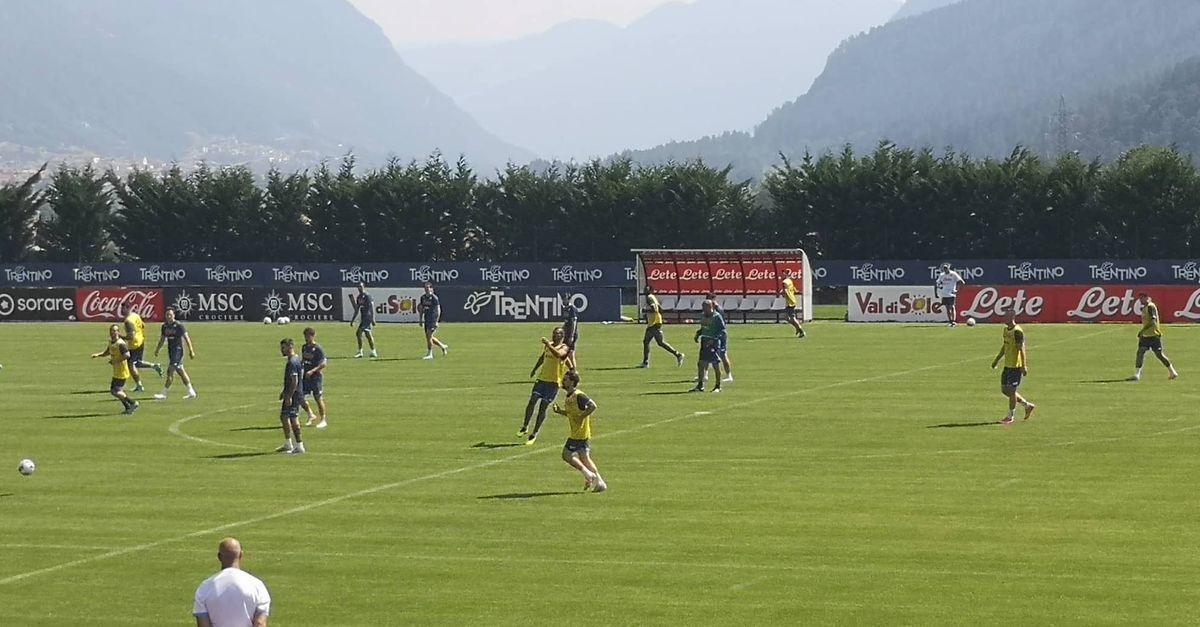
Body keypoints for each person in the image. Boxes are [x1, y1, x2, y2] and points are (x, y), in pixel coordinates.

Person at [193, 537, 271, 627]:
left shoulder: (205, 588)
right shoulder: (257, 586)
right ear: (241, 555)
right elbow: (259, 623)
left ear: (219, 557)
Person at [552, 369, 607, 493]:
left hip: (579, 434)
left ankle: (588, 475)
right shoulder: (569, 397)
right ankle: (599, 482)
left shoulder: (578, 395)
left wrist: (582, 416)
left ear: (572, 382)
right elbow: (572, 414)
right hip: (580, 433)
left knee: (566, 455)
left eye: (565, 380)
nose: (563, 381)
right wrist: (560, 411)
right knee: (585, 458)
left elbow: (593, 406)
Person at [519, 327, 570, 445]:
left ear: (561, 336)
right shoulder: (549, 345)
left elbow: (559, 356)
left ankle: (534, 433)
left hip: (553, 382)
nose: (554, 335)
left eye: (557, 334)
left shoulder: (564, 347)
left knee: (543, 407)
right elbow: (543, 357)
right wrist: (535, 369)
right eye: (553, 333)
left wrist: (572, 369)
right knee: (532, 400)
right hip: (542, 379)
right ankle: (525, 426)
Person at [990, 308, 1035, 425]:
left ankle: (1011, 416)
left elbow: (1022, 349)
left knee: (1011, 391)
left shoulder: (1017, 331)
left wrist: (1024, 365)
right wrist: (997, 360)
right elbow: (1005, 346)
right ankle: (1027, 405)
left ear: (1012, 317)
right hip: (1007, 365)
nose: (1004, 318)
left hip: (1016, 366)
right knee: (1005, 390)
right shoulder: (1005, 330)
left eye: (1006, 316)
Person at [91, 324, 139, 415]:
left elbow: (127, 355)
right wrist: (98, 355)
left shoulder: (121, 343)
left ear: (118, 332)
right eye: (111, 330)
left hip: (122, 371)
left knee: (115, 391)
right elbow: (107, 352)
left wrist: (115, 361)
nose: (112, 332)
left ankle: (132, 403)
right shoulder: (111, 342)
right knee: (116, 391)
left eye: (114, 330)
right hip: (116, 371)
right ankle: (128, 408)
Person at [1131, 292, 1179, 381]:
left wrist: (1142, 330)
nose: (1140, 300)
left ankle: (1173, 372)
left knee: (1159, 354)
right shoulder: (1145, 308)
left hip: (1153, 335)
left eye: (1142, 298)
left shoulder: (1150, 307)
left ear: (1147, 298)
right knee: (1140, 353)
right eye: (1139, 298)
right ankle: (1137, 374)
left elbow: (1153, 320)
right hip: (1146, 335)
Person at [153, 307, 197, 400]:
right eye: (167, 315)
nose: (168, 316)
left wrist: (191, 350)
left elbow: (186, 338)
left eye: (170, 314)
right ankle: (191, 391)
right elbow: (162, 339)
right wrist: (157, 349)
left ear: (174, 315)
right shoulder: (164, 326)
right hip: (171, 351)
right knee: (181, 371)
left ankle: (164, 393)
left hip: (178, 351)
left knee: (170, 371)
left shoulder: (179, 325)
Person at [119, 302, 163, 391]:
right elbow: (143, 325)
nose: (121, 311)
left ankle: (139, 385)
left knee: (130, 364)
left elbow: (130, 336)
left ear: (128, 308)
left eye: (122, 309)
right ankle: (155, 366)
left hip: (134, 344)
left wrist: (120, 337)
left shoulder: (128, 321)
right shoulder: (135, 315)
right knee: (138, 363)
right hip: (141, 340)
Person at [639, 285, 684, 368]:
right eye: (645, 288)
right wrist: (660, 318)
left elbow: (654, 309)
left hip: (654, 322)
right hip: (656, 321)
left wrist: (645, 311)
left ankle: (645, 362)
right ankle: (678, 354)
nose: (645, 289)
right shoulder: (653, 297)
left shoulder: (649, 297)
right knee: (660, 342)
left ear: (651, 290)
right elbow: (660, 308)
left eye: (647, 288)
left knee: (647, 341)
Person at [276, 338, 306, 454]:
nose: (281, 350)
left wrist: (288, 396)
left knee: (293, 418)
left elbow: (294, 381)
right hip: (291, 393)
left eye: (283, 347)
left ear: (290, 347)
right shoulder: (296, 359)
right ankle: (288, 444)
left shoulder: (292, 362)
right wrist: (284, 391)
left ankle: (299, 445)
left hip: (293, 394)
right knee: (284, 417)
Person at [691, 300, 724, 393]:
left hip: (713, 342)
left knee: (715, 364)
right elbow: (703, 327)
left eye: (705, 307)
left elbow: (721, 330)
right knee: (701, 363)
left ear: (711, 307)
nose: (704, 309)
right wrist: (698, 333)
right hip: (704, 341)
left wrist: (714, 339)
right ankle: (700, 385)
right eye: (703, 307)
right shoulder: (703, 316)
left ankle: (718, 386)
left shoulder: (716, 317)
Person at [299, 327, 329, 429]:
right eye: (305, 336)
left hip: (316, 377)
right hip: (305, 377)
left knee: (318, 398)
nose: (306, 338)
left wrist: (313, 370)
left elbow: (324, 363)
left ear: (313, 336)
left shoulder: (317, 349)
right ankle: (310, 414)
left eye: (308, 336)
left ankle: (323, 419)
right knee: (300, 396)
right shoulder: (304, 347)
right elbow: (303, 361)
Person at [705, 293, 734, 382]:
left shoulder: (718, 310)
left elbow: (721, 326)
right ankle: (704, 375)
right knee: (706, 354)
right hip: (710, 334)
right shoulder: (709, 310)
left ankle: (729, 375)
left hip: (720, 335)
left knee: (722, 354)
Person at [418, 281, 449, 360]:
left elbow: (438, 310)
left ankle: (430, 353)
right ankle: (442, 346)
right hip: (427, 319)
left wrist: (436, 321)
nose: (427, 289)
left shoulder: (434, 298)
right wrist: (420, 319)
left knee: (429, 336)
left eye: (428, 287)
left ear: (431, 288)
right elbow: (421, 309)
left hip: (433, 319)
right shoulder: (423, 298)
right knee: (429, 337)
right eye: (425, 288)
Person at [348, 282, 377, 359]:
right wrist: (352, 320)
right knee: (368, 335)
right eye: (358, 287)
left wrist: (373, 318)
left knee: (358, 333)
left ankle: (360, 351)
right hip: (363, 317)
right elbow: (357, 309)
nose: (359, 288)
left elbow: (372, 307)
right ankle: (373, 351)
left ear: (364, 287)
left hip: (368, 317)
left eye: (360, 286)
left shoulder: (367, 296)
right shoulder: (359, 297)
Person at [935, 263, 966, 327]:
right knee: (947, 308)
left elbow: (962, 282)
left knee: (952, 307)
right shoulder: (942, 275)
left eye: (946, 268)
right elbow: (937, 283)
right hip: (944, 294)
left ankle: (954, 321)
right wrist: (937, 291)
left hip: (951, 293)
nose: (945, 269)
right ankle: (950, 321)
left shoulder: (953, 274)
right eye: (944, 268)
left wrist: (957, 290)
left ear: (949, 268)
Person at [781, 269, 806, 338]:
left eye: (783, 273)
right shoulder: (790, 281)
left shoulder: (784, 282)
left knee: (791, 318)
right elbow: (794, 289)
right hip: (792, 300)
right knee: (786, 317)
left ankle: (801, 330)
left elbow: (785, 291)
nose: (782, 274)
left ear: (786, 274)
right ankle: (797, 328)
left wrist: (783, 294)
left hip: (789, 301)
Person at [561, 294, 579, 369]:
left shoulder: (572, 309)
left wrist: (571, 336)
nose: (564, 301)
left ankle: (574, 371)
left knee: (571, 353)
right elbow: (566, 322)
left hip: (571, 334)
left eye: (565, 299)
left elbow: (573, 322)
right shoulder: (565, 308)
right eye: (563, 299)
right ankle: (571, 370)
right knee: (565, 353)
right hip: (566, 333)